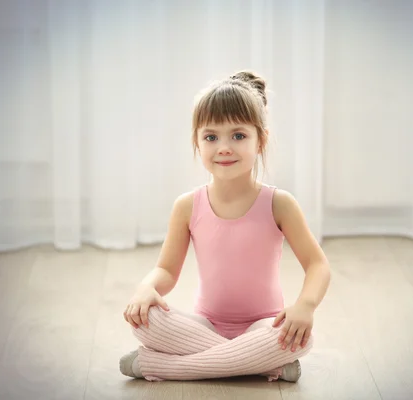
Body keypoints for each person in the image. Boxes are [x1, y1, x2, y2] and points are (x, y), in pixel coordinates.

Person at [119, 71, 331, 382]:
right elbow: (166, 270)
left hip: (265, 326)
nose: (224, 147)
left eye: (238, 135)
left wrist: (305, 306)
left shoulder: (279, 203)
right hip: (203, 326)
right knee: (145, 318)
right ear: (197, 141)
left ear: (261, 140)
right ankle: (262, 364)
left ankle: (159, 366)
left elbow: (317, 265)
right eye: (211, 137)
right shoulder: (187, 206)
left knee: (300, 336)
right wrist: (145, 289)